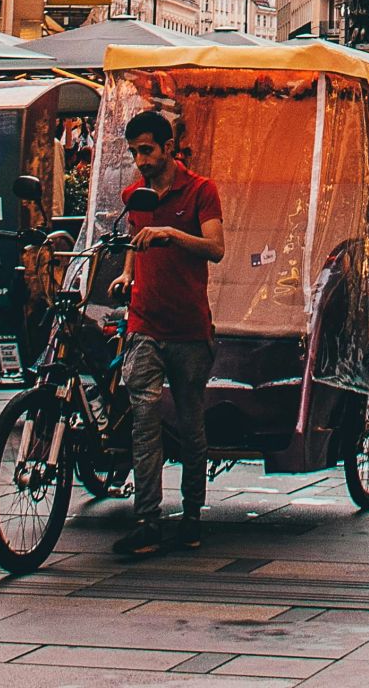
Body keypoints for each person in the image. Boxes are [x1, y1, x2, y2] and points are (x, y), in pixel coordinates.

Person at [108, 110, 226, 558]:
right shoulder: (134, 196)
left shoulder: (201, 191)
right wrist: (125, 275)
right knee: (143, 423)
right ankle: (148, 519)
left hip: (189, 328)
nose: (140, 160)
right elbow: (136, 245)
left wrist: (172, 234)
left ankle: (192, 514)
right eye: (134, 151)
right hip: (144, 324)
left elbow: (215, 248)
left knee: (191, 425)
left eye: (147, 150)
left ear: (168, 148)